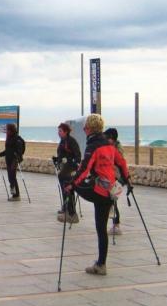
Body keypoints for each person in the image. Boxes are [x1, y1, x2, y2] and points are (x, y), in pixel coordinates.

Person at [64, 114, 130, 276]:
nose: (84, 130)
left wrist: (72, 184)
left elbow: (84, 169)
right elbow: (122, 163)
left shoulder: (94, 146)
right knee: (101, 229)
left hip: (100, 191)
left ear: (90, 129)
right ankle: (101, 264)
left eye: (85, 127)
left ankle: (71, 213)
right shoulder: (109, 145)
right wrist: (127, 180)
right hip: (110, 191)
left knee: (74, 186)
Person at [54, 123, 82, 221]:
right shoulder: (63, 141)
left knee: (68, 190)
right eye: (58, 131)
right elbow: (62, 154)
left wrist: (72, 164)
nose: (58, 133)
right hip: (63, 170)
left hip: (69, 171)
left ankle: (72, 213)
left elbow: (78, 156)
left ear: (66, 132)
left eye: (60, 131)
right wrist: (58, 160)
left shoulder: (71, 141)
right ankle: (66, 208)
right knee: (64, 189)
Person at [104, 128, 126, 236]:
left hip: (116, 179)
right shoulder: (111, 147)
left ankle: (116, 225)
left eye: (107, 138)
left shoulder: (116, 150)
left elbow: (120, 165)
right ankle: (115, 224)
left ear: (112, 138)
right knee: (110, 202)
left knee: (113, 202)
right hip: (111, 178)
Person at [0, 123, 24, 201]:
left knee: (12, 177)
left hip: (14, 161)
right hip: (8, 160)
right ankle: (14, 193)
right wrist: (0, 154)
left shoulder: (17, 139)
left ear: (11, 130)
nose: (6, 131)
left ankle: (16, 195)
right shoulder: (9, 138)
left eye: (7, 130)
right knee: (10, 178)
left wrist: (16, 159)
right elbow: (8, 150)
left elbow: (19, 151)